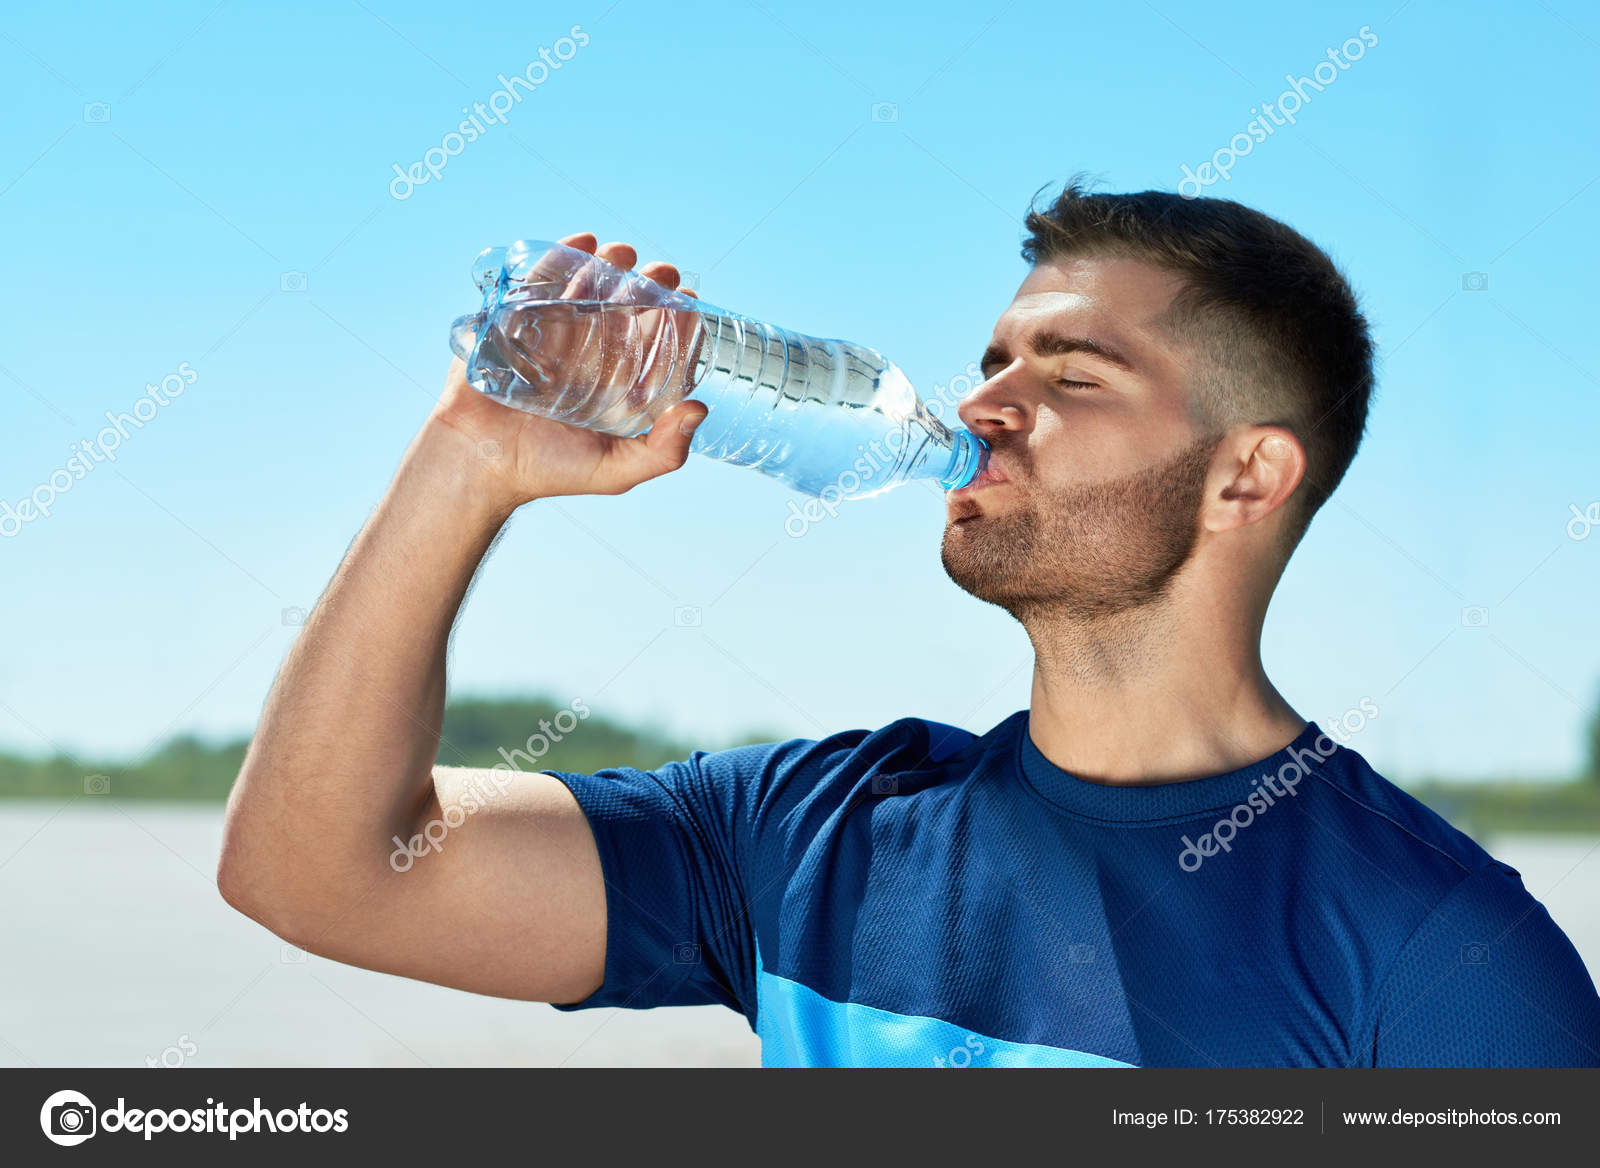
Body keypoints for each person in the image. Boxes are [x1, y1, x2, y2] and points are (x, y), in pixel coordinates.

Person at [218, 184, 1600, 1067]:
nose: (990, 402)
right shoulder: (805, 830)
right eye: (995, 359)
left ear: (1249, 474)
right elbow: (317, 872)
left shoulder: (1436, 953)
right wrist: (470, 462)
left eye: (1075, 373)